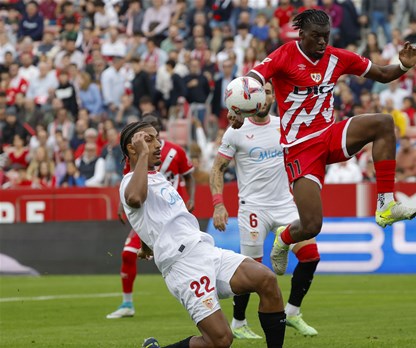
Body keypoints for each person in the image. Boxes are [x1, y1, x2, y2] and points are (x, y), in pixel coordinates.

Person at [232, 9, 416, 275]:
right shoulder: (285, 55)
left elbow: (381, 73)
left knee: (383, 123)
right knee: (312, 226)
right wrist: (239, 108)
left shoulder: (336, 58)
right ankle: (284, 238)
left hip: (330, 135)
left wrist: (403, 65)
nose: (322, 42)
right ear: (301, 35)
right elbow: (253, 79)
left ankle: (385, 204)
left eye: (326, 36)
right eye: (316, 37)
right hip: (300, 149)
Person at [118, 121, 286, 348]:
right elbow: (135, 199)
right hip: (183, 265)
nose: (158, 145)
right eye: (149, 140)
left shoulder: (157, 177)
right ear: (132, 148)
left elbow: (155, 218)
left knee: (266, 280)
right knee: (220, 340)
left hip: (205, 250)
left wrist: (147, 245)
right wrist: (142, 154)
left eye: (157, 138)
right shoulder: (130, 181)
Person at [210, 81, 320, 338]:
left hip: (285, 204)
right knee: (252, 271)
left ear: (272, 97)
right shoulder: (236, 131)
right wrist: (218, 205)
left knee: (311, 255)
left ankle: (292, 312)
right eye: (262, 92)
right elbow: (217, 169)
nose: (265, 97)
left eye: (270, 92)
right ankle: (238, 322)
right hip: (253, 208)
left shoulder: (284, 126)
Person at [107, 114, 196, 319]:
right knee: (128, 253)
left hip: (170, 215)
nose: (151, 137)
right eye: (146, 133)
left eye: (154, 131)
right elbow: (130, 185)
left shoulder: (175, 151)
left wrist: (191, 198)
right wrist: (123, 204)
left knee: (185, 258)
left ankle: (197, 293)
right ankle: (127, 303)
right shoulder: (137, 153)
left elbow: (189, 175)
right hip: (147, 215)